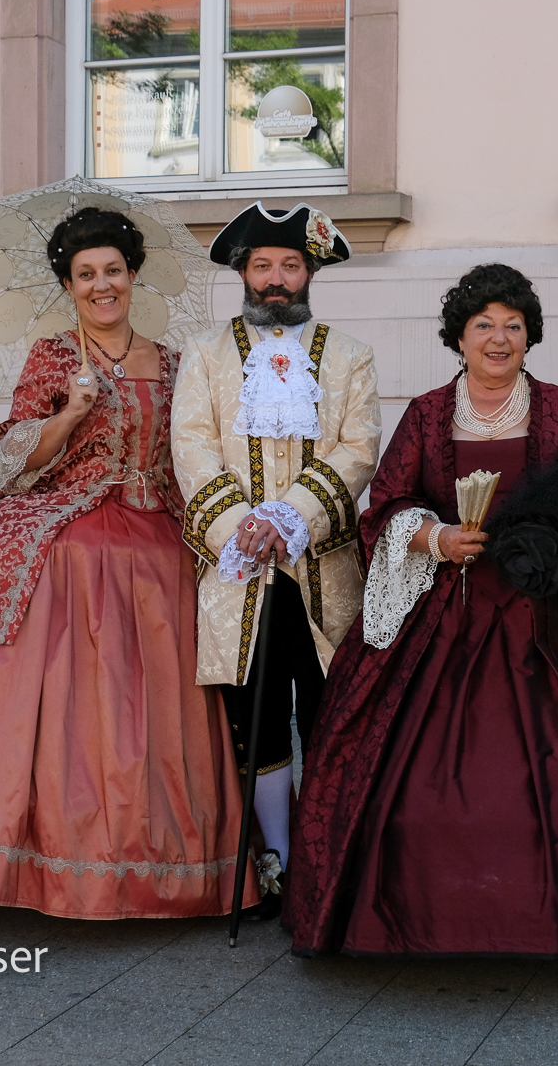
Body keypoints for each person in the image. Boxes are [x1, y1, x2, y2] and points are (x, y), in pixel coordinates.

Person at [285, 263, 558, 958]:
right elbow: (385, 505)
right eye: (484, 324)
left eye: (513, 325)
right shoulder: (427, 413)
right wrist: (436, 535)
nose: (499, 337)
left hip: (550, 607)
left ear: (529, 336)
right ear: (458, 335)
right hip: (446, 605)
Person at [0, 207, 246, 919]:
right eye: (86, 275)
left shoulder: (177, 361)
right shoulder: (54, 359)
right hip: (72, 530)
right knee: (46, 574)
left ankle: (166, 866)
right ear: (69, 285)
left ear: (133, 276)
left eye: (113, 271)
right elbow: (4, 469)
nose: (102, 286)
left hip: (157, 535)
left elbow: (191, 457)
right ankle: (22, 858)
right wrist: (66, 415)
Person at [173, 202, 381, 918]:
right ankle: (277, 860)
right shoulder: (204, 353)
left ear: (310, 272)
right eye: (262, 265)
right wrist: (244, 525)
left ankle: (327, 857)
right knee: (254, 720)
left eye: (290, 265)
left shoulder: (350, 354)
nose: (275, 279)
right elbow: (191, 448)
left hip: (324, 570)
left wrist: (289, 517)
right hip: (240, 572)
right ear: (242, 271)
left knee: (330, 713)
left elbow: (358, 450)